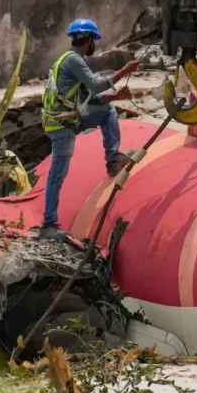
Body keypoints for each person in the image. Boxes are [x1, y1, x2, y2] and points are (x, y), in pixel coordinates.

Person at [38, 18, 140, 240]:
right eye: (95, 40)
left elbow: (90, 97)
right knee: (57, 174)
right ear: (89, 40)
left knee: (108, 111)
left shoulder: (71, 61)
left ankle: (112, 160)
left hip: (69, 119)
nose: (95, 45)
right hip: (62, 125)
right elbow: (96, 85)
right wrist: (125, 70)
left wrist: (115, 97)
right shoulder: (74, 60)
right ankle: (48, 224)